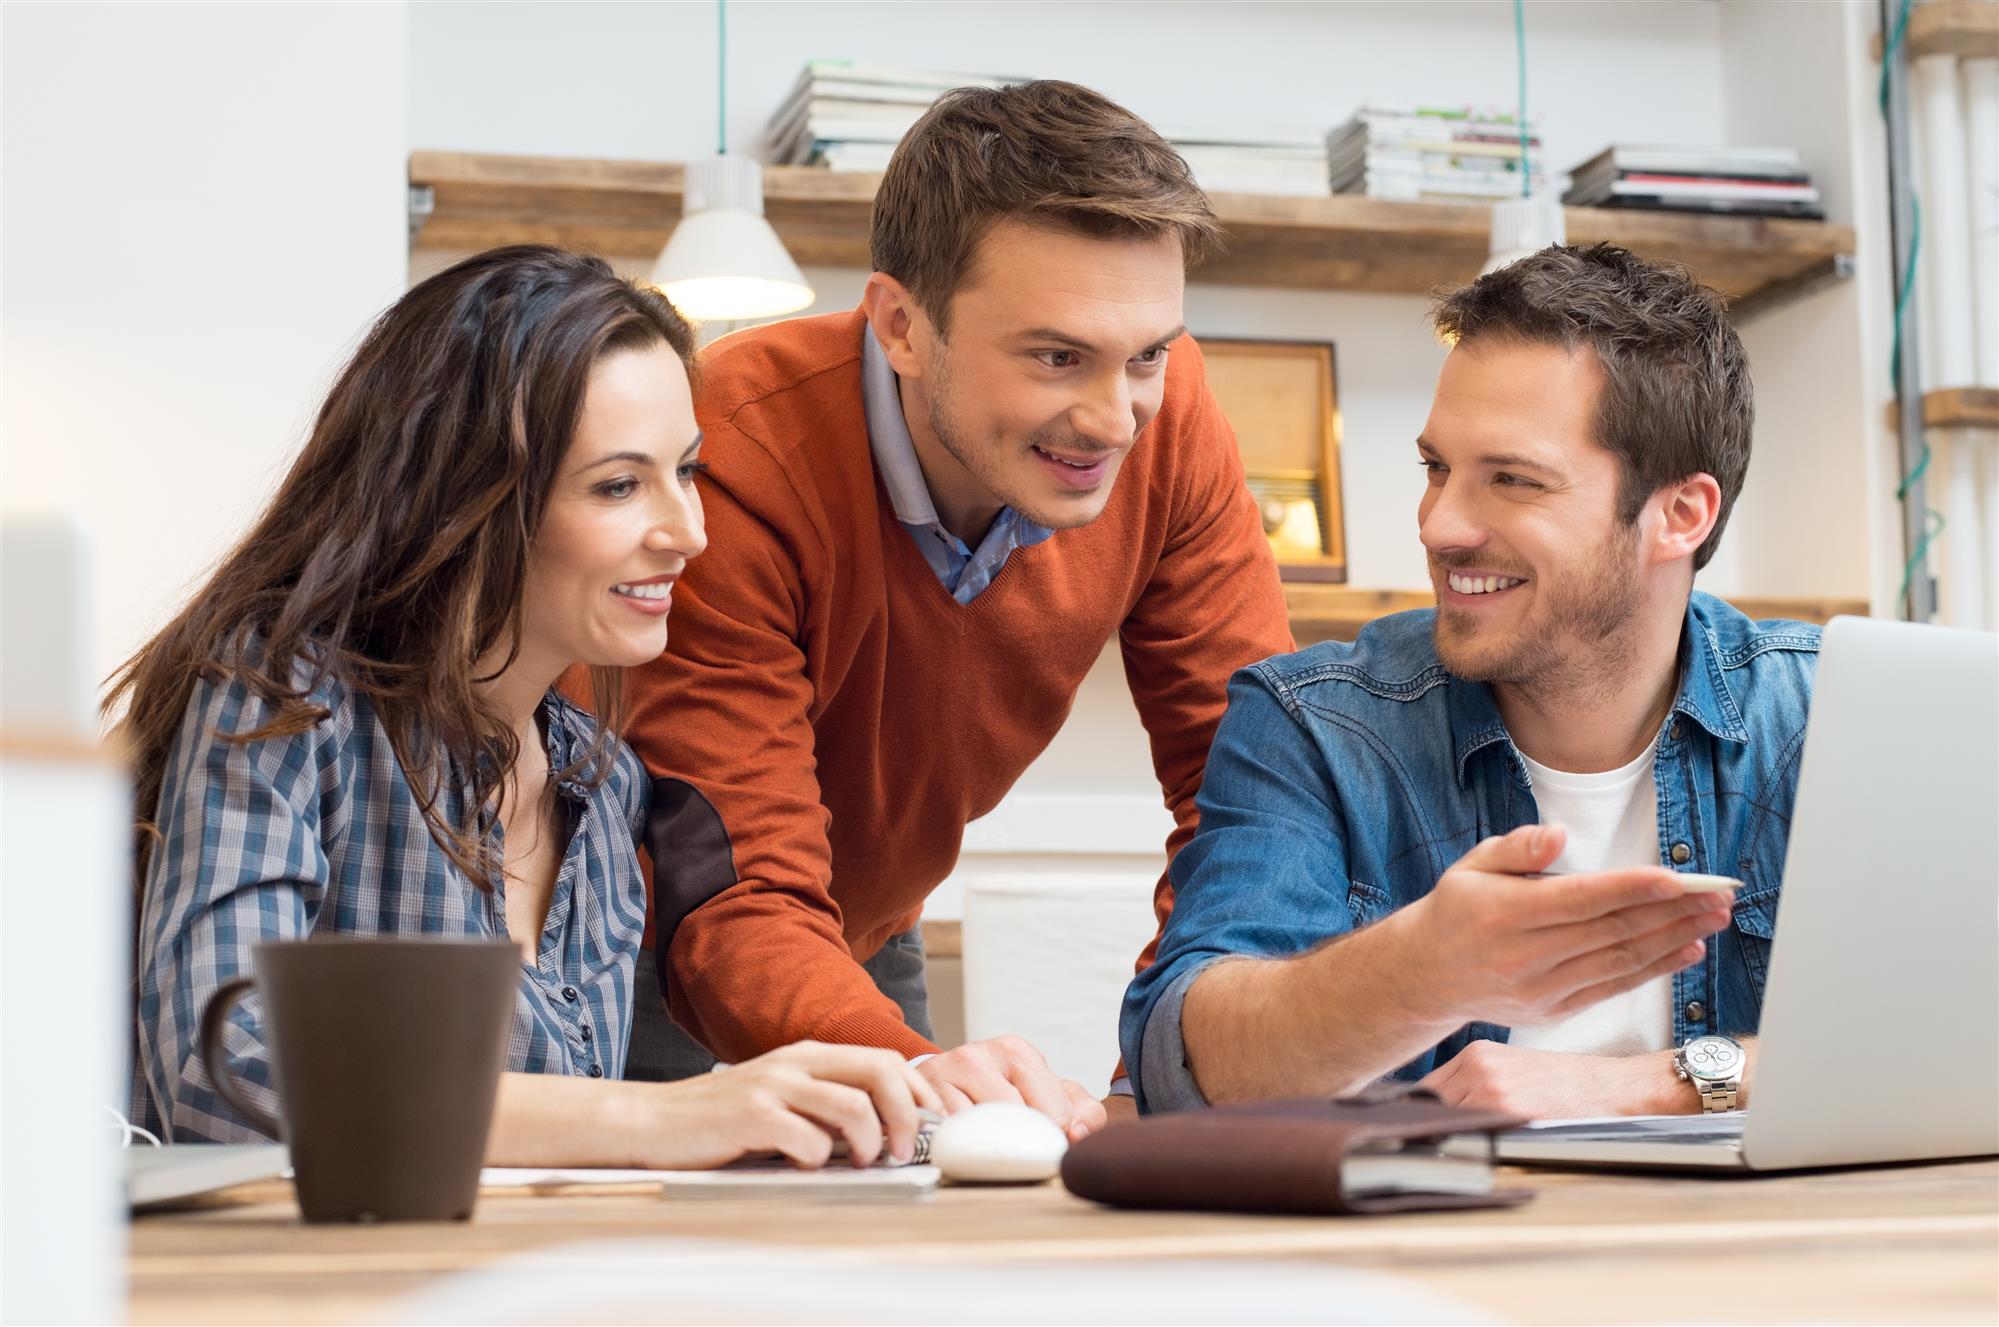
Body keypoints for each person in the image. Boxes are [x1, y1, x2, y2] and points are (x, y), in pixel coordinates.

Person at [117, 245, 939, 1169]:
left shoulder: (602, 781)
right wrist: (668, 1118)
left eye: (689, 472)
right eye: (620, 485)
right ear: (466, 498)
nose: (688, 532)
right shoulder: (280, 699)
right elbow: (225, 1072)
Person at [616, 80, 1292, 1134]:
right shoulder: (732, 450)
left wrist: (1160, 1070)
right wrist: (932, 1085)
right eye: (1055, 355)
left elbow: (1249, 796)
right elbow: (731, 879)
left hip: (865, 921)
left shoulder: (1170, 417)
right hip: (642, 923)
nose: (1114, 418)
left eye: (1147, 355)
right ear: (899, 325)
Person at [1122, 244, 1820, 1119]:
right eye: (1436, 467)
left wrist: (1641, 1084)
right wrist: (1421, 971)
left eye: (1512, 480)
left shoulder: (1827, 718)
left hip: (1772, 1251)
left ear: (1679, 515)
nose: (1439, 524)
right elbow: (1187, 1067)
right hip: (1428, 1250)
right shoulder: (1313, 725)